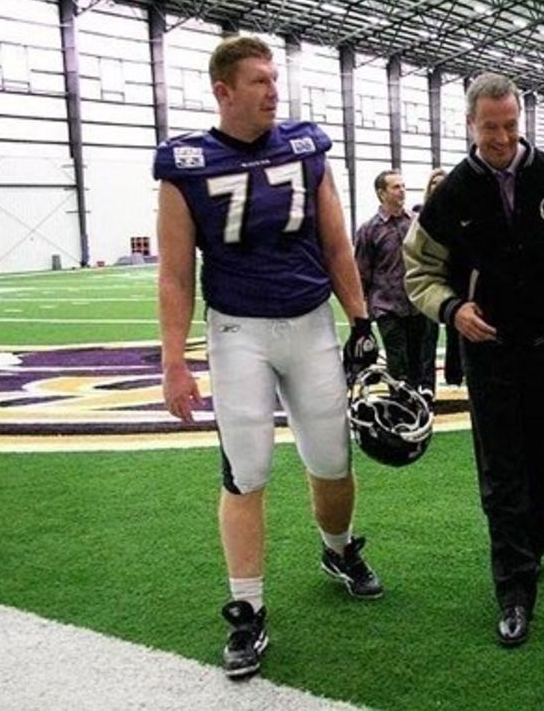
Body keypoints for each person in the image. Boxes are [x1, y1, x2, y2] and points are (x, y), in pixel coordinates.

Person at [154, 36, 383, 679]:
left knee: (332, 461)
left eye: (274, 79)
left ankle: (337, 550)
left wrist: (361, 321)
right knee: (247, 470)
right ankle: (246, 608)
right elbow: (174, 274)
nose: (272, 91)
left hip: (311, 322)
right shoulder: (186, 163)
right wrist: (175, 361)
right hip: (238, 332)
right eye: (258, 81)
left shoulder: (306, 147)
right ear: (223, 90)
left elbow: (337, 243)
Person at [403, 72, 544, 648]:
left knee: (542, 462)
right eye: (489, 127)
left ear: (520, 121)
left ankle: (533, 550)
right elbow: (419, 270)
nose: (500, 138)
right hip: (489, 354)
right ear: (469, 125)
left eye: (509, 125)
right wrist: (452, 310)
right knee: (500, 473)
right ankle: (514, 591)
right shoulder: (452, 196)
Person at [355, 169, 438, 400]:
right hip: (387, 306)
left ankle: (419, 406)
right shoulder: (368, 230)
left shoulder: (415, 223)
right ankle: (400, 405)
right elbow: (362, 271)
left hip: (417, 302)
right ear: (381, 193)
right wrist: (362, 313)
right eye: (396, 187)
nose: (402, 191)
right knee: (396, 359)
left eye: (403, 186)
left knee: (416, 359)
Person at [414, 169, 463, 387]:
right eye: (434, 183)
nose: (438, 187)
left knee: (457, 334)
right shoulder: (420, 218)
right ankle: (426, 384)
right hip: (430, 286)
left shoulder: (460, 213)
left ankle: (455, 376)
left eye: (442, 183)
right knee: (426, 338)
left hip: (456, 286)